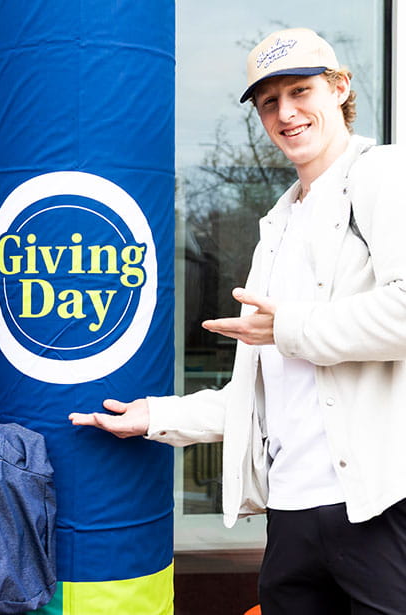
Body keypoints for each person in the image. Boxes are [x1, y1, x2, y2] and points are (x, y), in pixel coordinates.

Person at [70, 27, 406, 614]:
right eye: (269, 102)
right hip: (291, 512)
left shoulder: (384, 174)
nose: (286, 113)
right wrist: (159, 417)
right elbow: (267, 396)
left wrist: (290, 329)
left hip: (377, 507)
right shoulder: (278, 224)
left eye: (300, 91)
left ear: (339, 88)